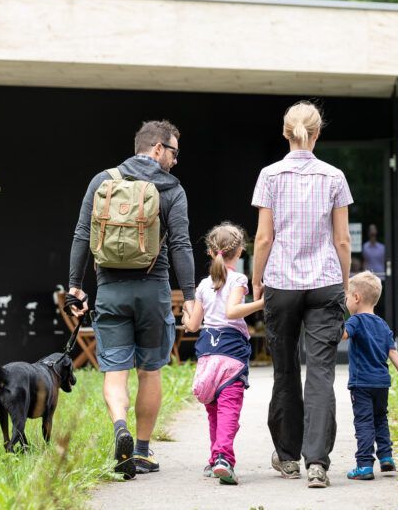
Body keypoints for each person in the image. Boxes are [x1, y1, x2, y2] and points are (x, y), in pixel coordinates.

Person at [67, 120, 196, 480]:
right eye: (173, 152)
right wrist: (189, 297)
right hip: (153, 290)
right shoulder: (171, 188)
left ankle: (119, 425)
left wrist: (75, 287)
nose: (174, 160)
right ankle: (140, 450)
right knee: (150, 370)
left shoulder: (102, 181)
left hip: (110, 289)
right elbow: (182, 244)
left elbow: (81, 235)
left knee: (115, 370)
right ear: (157, 149)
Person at [251, 101, 352, 489]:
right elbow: (342, 239)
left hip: (281, 283)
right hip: (325, 282)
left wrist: (258, 278)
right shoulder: (334, 176)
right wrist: (343, 284)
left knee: (286, 370)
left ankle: (289, 458)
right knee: (322, 373)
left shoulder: (270, 175)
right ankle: (318, 464)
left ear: (285, 132)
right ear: (318, 133)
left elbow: (263, 237)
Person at [182, 222, 264, 486]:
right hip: (231, 353)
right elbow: (231, 312)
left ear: (210, 251)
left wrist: (186, 314)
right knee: (229, 408)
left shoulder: (204, 285)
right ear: (239, 251)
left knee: (214, 410)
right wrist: (263, 302)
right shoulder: (238, 280)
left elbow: (193, 326)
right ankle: (224, 460)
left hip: (207, 352)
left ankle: (214, 458)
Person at [342, 272, 398, 481]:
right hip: (381, 382)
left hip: (361, 383)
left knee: (363, 422)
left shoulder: (355, 321)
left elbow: (341, 335)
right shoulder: (382, 324)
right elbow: (392, 352)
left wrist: (333, 318)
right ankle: (386, 457)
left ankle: (364, 465)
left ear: (357, 298)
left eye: (347, 297)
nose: (346, 301)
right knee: (380, 419)